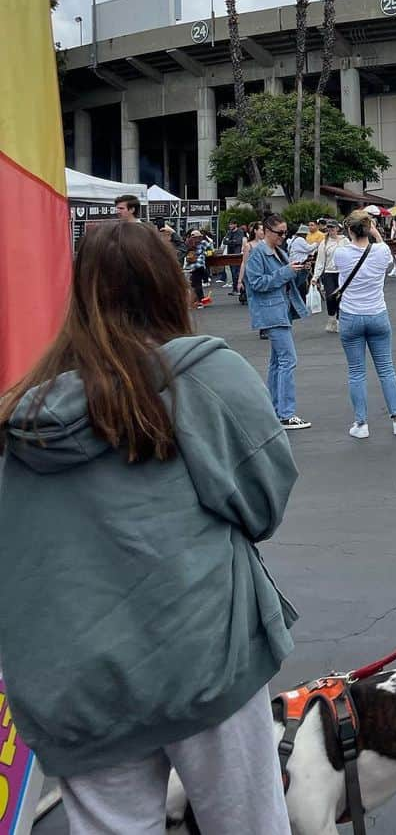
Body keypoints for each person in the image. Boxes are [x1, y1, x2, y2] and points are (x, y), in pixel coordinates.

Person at [0, 221, 297, 834]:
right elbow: (263, 505)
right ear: (169, 285)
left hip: (77, 683)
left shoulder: (23, 418)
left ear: (79, 296)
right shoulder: (207, 377)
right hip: (204, 655)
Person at [334, 213, 396, 439]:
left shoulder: (341, 253)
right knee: (386, 368)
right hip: (377, 313)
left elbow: (340, 260)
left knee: (356, 372)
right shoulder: (381, 251)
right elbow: (386, 255)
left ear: (349, 230)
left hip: (350, 316)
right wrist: (375, 233)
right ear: (370, 228)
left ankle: (361, 423)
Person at [244, 216, 311, 430]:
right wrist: (287, 272)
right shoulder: (258, 254)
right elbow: (255, 284)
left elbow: (287, 281)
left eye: (285, 232)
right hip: (271, 312)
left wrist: (301, 271)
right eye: (280, 233)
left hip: (280, 310)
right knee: (288, 360)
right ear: (266, 231)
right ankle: (285, 413)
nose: (284, 236)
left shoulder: (279, 253)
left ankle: (275, 410)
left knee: (277, 362)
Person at [314, 219, 347, 333]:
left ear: (337, 228)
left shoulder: (345, 241)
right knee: (330, 296)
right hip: (329, 273)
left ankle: (338, 320)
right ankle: (331, 316)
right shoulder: (324, 243)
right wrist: (315, 277)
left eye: (333, 228)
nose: (331, 230)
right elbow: (320, 261)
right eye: (329, 228)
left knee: (340, 296)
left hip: (342, 272)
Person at [288, 224, 318, 299]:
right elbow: (309, 249)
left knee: (298, 286)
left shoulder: (293, 239)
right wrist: (317, 243)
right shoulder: (299, 240)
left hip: (294, 266)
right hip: (300, 266)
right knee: (302, 287)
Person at [183, 229, 210, 307]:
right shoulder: (203, 243)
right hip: (199, 265)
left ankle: (199, 301)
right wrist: (204, 254)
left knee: (195, 284)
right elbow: (211, 251)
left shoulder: (189, 243)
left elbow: (185, 253)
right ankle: (200, 300)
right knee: (196, 284)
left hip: (192, 266)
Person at [224, 218, 244, 295]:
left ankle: (239, 289)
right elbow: (225, 241)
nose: (230, 226)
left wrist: (230, 241)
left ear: (235, 224)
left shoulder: (240, 232)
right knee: (232, 272)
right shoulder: (229, 232)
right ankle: (234, 289)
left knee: (237, 272)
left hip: (237, 254)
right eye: (230, 224)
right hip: (230, 254)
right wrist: (232, 241)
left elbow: (239, 241)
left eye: (232, 224)